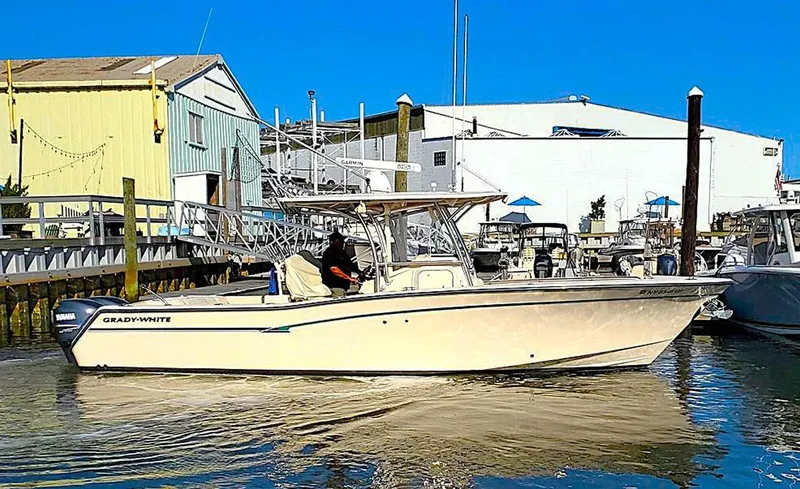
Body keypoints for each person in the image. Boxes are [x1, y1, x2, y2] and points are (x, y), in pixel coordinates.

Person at [321, 231, 360, 297]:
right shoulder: (328, 253)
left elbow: (350, 264)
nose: (343, 243)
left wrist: (359, 272)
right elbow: (334, 269)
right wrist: (349, 278)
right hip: (334, 286)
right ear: (333, 242)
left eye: (342, 241)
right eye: (340, 241)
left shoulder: (342, 253)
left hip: (344, 285)